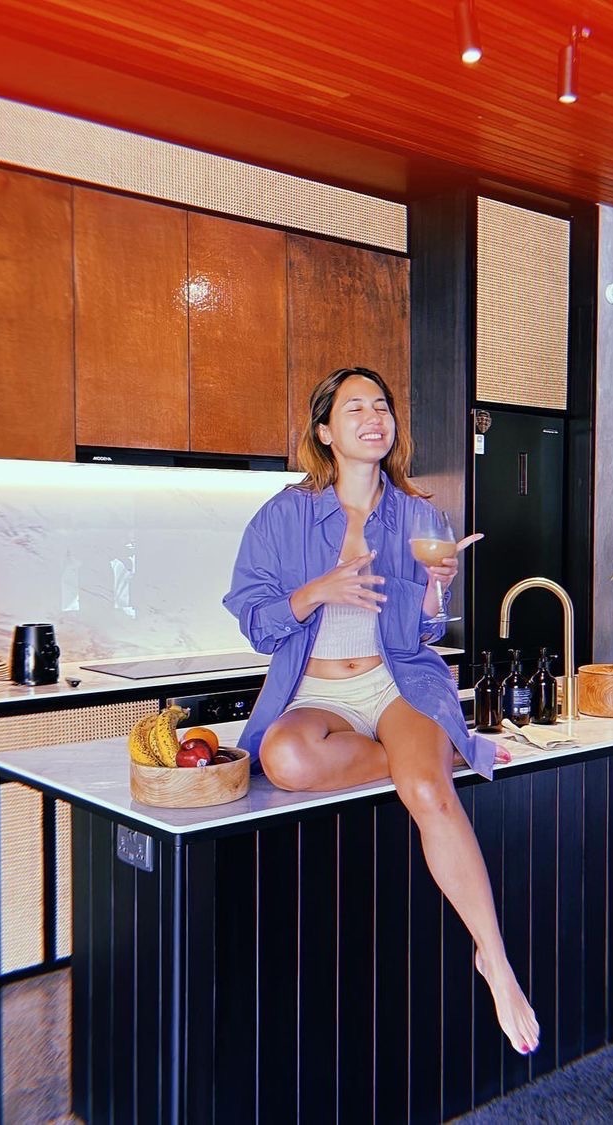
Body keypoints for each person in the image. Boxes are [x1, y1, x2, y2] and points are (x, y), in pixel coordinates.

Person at [224, 365, 540, 1056]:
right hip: (314, 691)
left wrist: (435, 589)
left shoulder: (419, 514)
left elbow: (424, 629)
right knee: (284, 758)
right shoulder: (282, 516)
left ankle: (494, 960)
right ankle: (437, 750)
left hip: (394, 682)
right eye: (355, 408)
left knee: (429, 793)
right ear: (324, 431)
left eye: (382, 406)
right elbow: (254, 620)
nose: (374, 418)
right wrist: (317, 590)